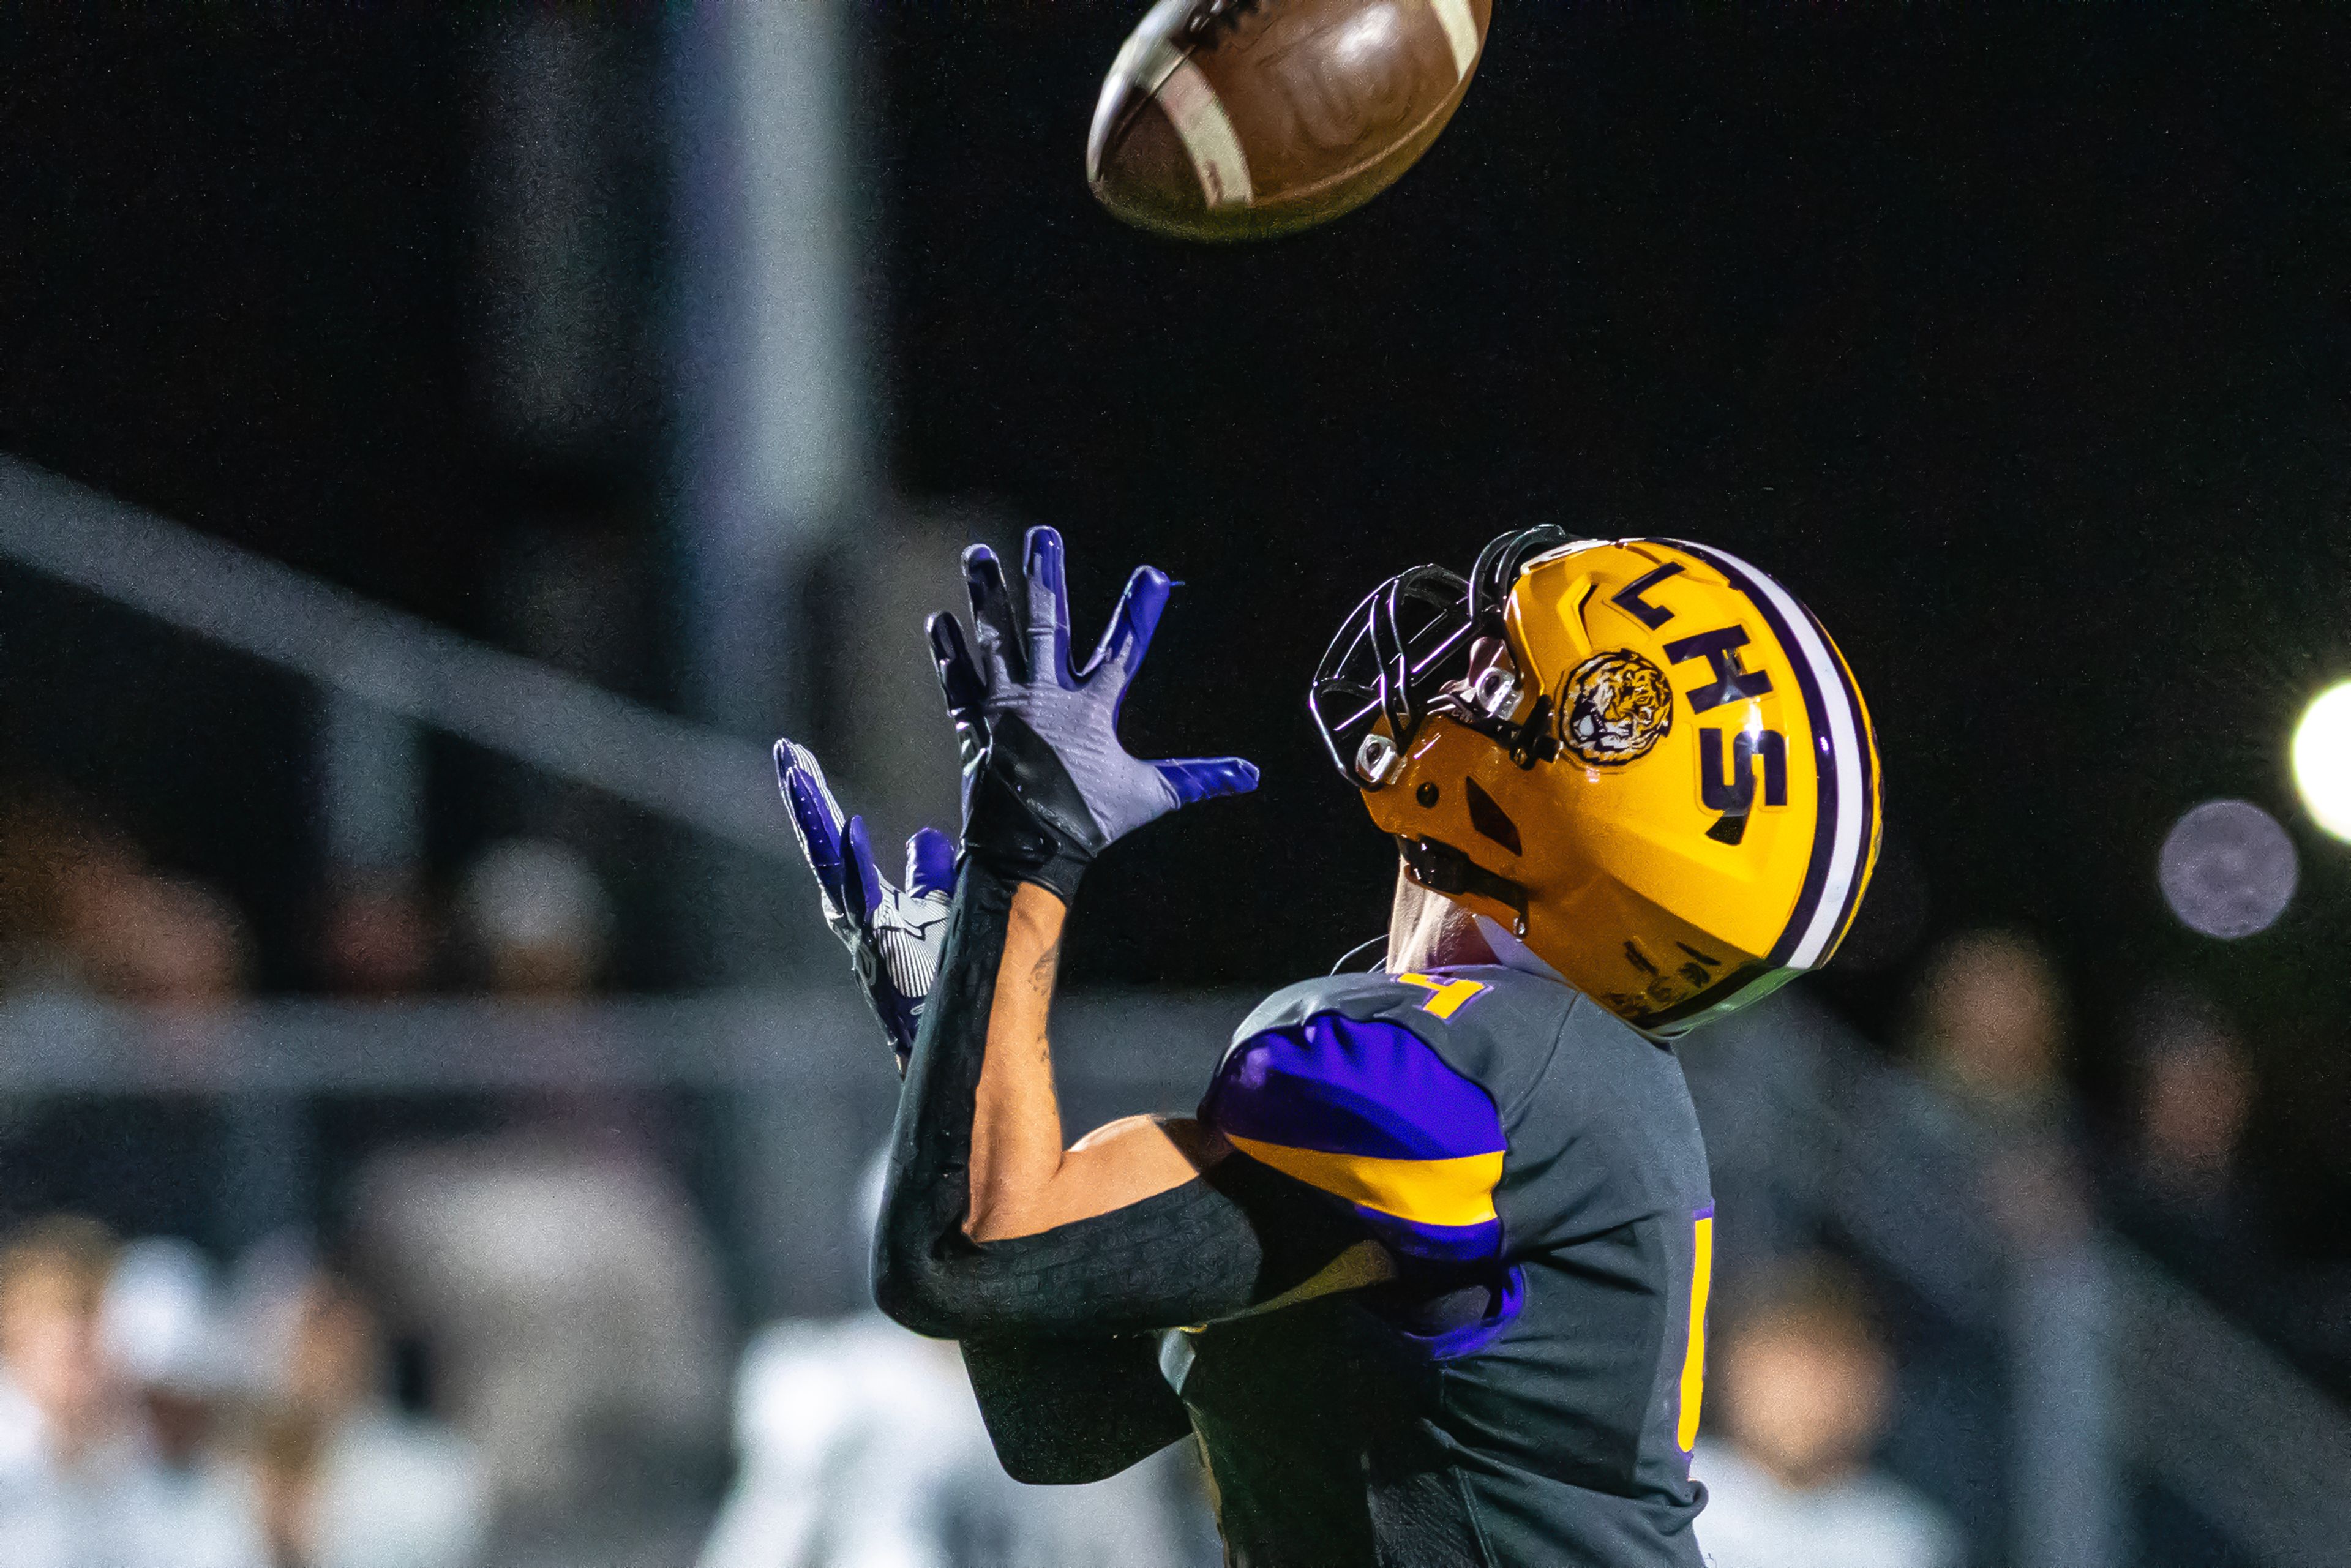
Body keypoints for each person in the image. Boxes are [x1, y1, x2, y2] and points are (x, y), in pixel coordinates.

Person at [777, 527, 1882, 1565]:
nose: (1453, 682)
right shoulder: (1543, 1075)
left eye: (1502, 683)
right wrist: (954, 1025)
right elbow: (1067, 1417)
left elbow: (967, 1253)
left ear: (1562, 806)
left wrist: (1027, 845)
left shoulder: (1480, 1069)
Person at [1693, 1259, 1960, 1568]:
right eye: (1787, 1366)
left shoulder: (1906, 1543)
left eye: (1827, 1370)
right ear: (1732, 1368)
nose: (1805, 1393)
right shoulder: (1662, 1501)